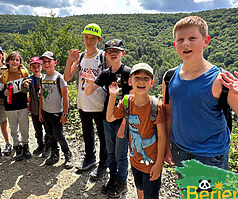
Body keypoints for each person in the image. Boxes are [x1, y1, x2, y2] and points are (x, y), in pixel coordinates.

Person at [163, 16, 238, 170]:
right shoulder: (169, 77)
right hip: (180, 151)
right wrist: (167, 145)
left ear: (206, 41)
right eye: (180, 39)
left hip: (210, 156)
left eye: (192, 38)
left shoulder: (221, 80)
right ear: (175, 44)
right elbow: (169, 113)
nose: (186, 43)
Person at [107, 63, 166, 199]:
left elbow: (162, 137)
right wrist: (112, 96)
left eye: (146, 78)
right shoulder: (127, 102)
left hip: (151, 163)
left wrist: (158, 164)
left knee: (151, 195)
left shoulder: (156, 106)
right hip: (134, 160)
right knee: (139, 187)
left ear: (151, 83)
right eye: (137, 77)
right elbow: (110, 118)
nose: (141, 81)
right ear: (130, 81)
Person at [84, 39, 132, 198]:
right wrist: (90, 82)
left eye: (116, 51)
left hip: (123, 120)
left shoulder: (128, 73)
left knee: (121, 154)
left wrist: (125, 121)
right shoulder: (105, 73)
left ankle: (122, 182)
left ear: (122, 54)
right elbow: (89, 92)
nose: (113, 54)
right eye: (110, 51)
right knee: (111, 153)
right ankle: (113, 179)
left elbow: (133, 100)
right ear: (105, 54)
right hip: (108, 118)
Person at [64, 23, 108, 179]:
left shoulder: (103, 56)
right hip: (83, 102)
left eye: (92, 38)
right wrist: (70, 61)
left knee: (103, 136)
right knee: (87, 133)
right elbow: (67, 77)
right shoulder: (81, 56)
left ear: (99, 39)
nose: (88, 41)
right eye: (86, 37)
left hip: (100, 103)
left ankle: (103, 164)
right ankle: (90, 158)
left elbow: (110, 77)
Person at [39, 51, 73, 169]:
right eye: (44, 61)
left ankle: (67, 153)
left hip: (57, 113)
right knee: (50, 134)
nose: (46, 64)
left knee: (58, 135)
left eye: (49, 61)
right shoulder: (43, 78)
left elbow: (65, 97)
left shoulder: (59, 77)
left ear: (55, 63)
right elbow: (41, 96)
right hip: (46, 112)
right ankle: (54, 154)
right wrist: (40, 112)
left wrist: (65, 113)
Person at [0, 51, 31, 161]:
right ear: (7, 62)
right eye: (12, 59)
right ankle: (17, 147)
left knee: (24, 128)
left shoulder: (24, 73)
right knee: (13, 129)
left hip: (22, 105)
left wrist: (26, 85)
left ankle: (25, 145)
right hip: (10, 107)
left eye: (17, 60)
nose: (15, 62)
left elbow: (29, 88)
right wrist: (4, 93)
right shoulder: (3, 76)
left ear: (20, 62)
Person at [22, 57, 50, 157]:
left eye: (38, 66)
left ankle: (48, 147)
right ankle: (40, 145)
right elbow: (24, 91)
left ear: (41, 67)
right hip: (34, 110)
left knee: (47, 129)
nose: (36, 68)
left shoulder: (46, 78)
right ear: (30, 68)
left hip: (46, 109)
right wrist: (24, 85)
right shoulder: (29, 80)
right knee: (38, 130)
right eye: (34, 67)